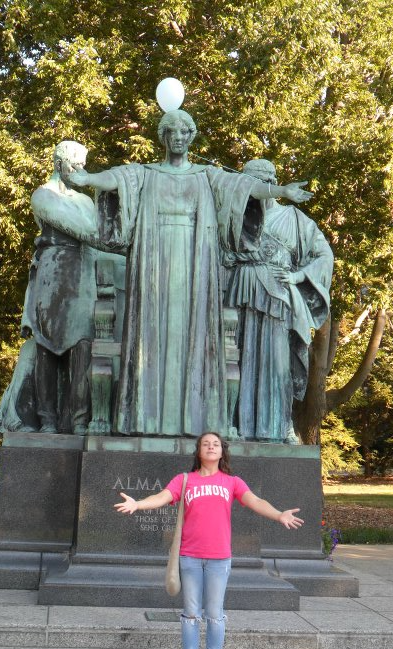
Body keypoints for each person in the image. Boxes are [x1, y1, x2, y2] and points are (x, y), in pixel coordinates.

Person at [69, 110, 312, 438]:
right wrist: (87, 179)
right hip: (153, 264)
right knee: (151, 335)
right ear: (164, 137)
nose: (179, 137)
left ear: (192, 136)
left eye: (185, 132)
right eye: (172, 132)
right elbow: (117, 179)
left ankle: (196, 421)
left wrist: (280, 191)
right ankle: (146, 419)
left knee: (194, 337)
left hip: (195, 265)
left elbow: (243, 187)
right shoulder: (147, 174)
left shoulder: (207, 176)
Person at [114, 431, 304, 649]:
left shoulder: (232, 482)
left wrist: (279, 514)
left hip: (219, 559)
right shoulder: (185, 480)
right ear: (199, 451)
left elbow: (256, 501)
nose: (211, 447)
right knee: (191, 614)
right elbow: (161, 497)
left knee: (215, 615)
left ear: (222, 451)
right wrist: (138, 504)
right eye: (206, 444)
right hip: (190, 558)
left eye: (215, 444)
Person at [223, 159, 333, 443]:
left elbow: (324, 255)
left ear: (270, 183)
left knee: (278, 361)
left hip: (277, 294)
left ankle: (282, 424)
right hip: (241, 289)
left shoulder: (295, 219)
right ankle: (232, 423)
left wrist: (298, 277)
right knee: (236, 357)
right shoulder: (233, 217)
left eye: (257, 184)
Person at [22, 140, 99, 434]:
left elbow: (95, 234)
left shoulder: (86, 201)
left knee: (82, 343)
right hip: (52, 271)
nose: (80, 170)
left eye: (83, 164)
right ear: (58, 163)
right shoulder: (43, 195)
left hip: (82, 271)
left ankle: (79, 420)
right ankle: (47, 420)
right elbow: (86, 231)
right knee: (46, 344)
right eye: (75, 164)